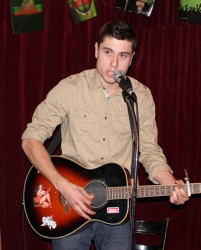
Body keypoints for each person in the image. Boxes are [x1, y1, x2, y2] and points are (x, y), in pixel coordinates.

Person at [21, 19, 189, 250]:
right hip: (68, 204)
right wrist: (62, 185)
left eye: (123, 55)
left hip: (118, 211)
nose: (114, 63)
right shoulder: (71, 88)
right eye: (108, 52)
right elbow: (31, 140)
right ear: (96, 50)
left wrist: (171, 185)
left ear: (132, 58)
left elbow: (149, 151)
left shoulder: (140, 96)